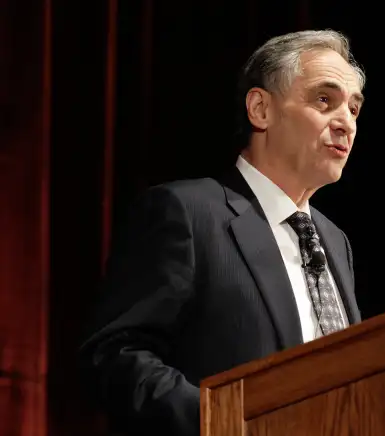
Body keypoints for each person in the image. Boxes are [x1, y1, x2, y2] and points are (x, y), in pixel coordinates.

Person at [78, 29, 366, 436]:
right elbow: (114, 356)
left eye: (354, 109)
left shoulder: (335, 242)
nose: (346, 123)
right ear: (260, 109)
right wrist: (226, 421)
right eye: (325, 100)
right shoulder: (188, 213)